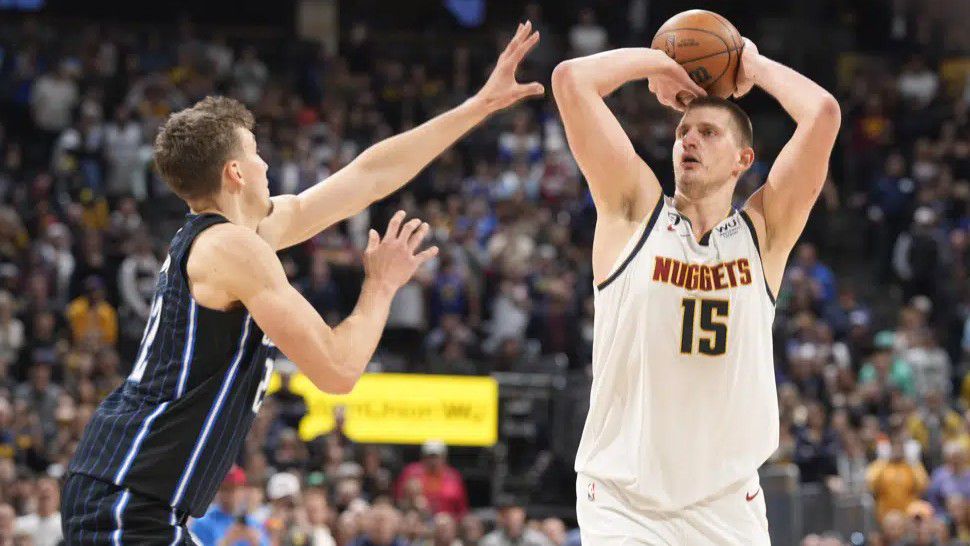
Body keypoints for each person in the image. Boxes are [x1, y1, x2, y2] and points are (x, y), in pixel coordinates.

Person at [60, 23, 544, 544]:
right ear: (235, 173)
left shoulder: (237, 237)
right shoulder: (232, 248)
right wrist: (380, 285)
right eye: (255, 152)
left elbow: (367, 177)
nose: (267, 162)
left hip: (133, 496)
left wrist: (478, 106)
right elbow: (337, 369)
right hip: (127, 500)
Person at [553, 27, 840, 545]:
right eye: (684, 131)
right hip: (624, 502)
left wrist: (751, 65)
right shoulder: (633, 212)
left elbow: (822, 114)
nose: (689, 139)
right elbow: (572, 81)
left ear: (743, 160)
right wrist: (657, 64)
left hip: (725, 505)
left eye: (708, 133)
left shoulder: (764, 233)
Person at [393, 440, 468, 518]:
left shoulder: (453, 476)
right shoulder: (411, 472)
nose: (433, 461)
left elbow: (462, 508)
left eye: (436, 457)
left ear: (444, 458)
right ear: (423, 457)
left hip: (446, 519)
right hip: (416, 516)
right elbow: (398, 499)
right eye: (430, 457)